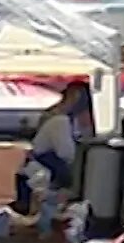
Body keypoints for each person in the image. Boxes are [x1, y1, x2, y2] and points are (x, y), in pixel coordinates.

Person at [14, 80, 94, 212]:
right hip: (38, 181)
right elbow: (67, 155)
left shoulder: (77, 125)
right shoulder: (60, 122)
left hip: (47, 180)